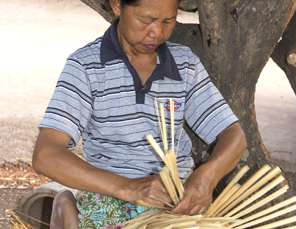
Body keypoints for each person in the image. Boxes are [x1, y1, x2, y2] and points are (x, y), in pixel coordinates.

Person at [32, 0, 247, 228]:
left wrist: (206, 178)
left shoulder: (185, 64)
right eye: (146, 20)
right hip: (111, 197)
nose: (157, 32)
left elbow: (234, 136)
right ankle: (67, 210)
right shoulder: (86, 67)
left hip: (177, 205)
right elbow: (46, 155)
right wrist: (129, 188)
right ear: (117, 5)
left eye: (168, 21)